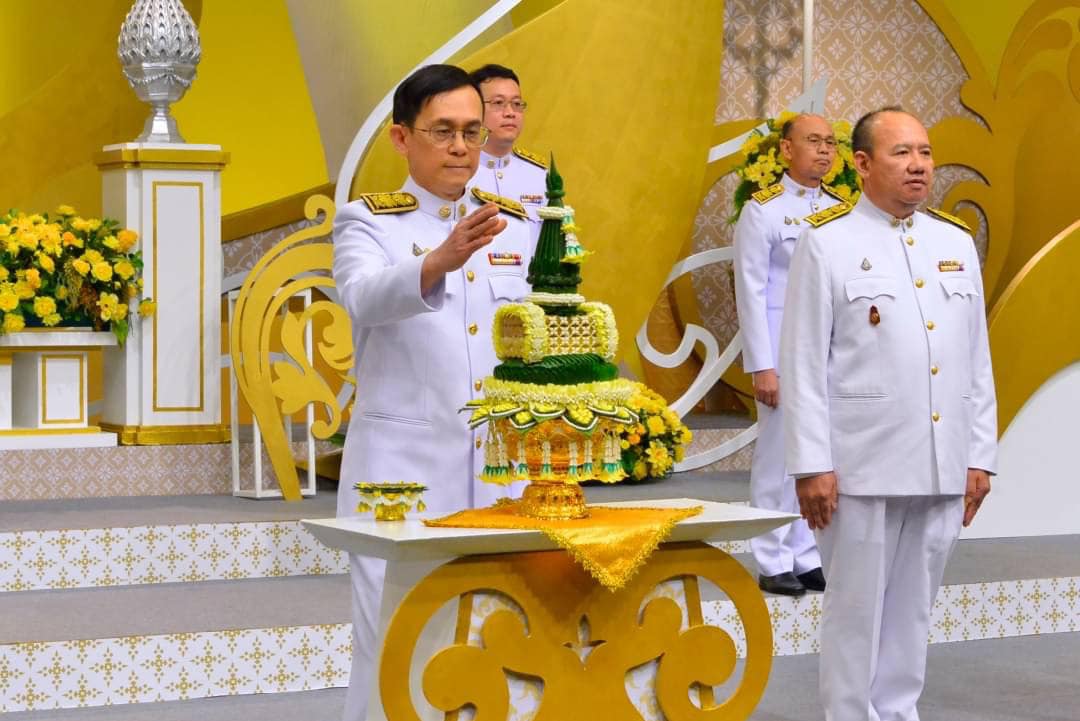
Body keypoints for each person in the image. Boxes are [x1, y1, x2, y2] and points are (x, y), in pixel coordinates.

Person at [780, 106, 996, 720]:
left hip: (940, 463)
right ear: (863, 163)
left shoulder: (954, 243)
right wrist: (811, 465)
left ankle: (899, 713)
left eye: (924, 152)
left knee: (913, 612)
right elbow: (802, 363)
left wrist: (980, 455)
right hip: (860, 467)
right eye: (902, 153)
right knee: (855, 614)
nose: (918, 166)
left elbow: (975, 359)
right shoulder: (827, 243)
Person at [331, 63, 533, 721]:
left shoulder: (511, 221)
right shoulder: (368, 221)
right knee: (395, 641)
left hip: (494, 470)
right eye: (442, 131)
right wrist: (438, 261)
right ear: (401, 137)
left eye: (472, 131)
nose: (460, 147)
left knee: (491, 641)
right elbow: (362, 297)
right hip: (400, 476)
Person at [733, 113, 842, 596]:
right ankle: (772, 556)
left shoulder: (840, 210)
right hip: (779, 349)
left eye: (830, 142)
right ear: (786, 149)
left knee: (818, 451)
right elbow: (751, 291)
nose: (823, 150)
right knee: (778, 457)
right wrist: (762, 365)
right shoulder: (764, 210)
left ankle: (806, 553)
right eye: (813, 141)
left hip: (827, 352)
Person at [468, 63, 548, 221]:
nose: (510, 113)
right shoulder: (457, 170)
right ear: (474, 108)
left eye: (517, 104)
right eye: (498, 103)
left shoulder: (539, 174)